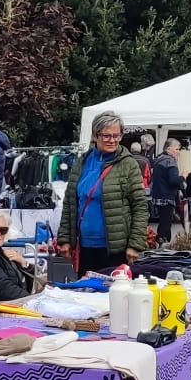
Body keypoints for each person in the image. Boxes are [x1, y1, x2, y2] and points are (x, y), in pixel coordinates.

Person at [56, 110, 148, 274]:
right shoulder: (81, 162)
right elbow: (70, 203)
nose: (112, 140)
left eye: (116, 136)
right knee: (85, 292)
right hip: (84, 247)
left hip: (114, 249)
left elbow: (140, 207)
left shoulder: (128, 165)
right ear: (95, 136)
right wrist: (65, 239)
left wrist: (135, 244)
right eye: (106, 136)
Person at [149, 137, 185, 246]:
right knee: (166, 222)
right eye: (177, 149)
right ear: (169, 149)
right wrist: (183, 177)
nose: (178, 152)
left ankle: (162, 241)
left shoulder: (158, 159)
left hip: (157, 195)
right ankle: (162, 243)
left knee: (163, 220)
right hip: (167, 196)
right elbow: (173, 180)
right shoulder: (170, 161)